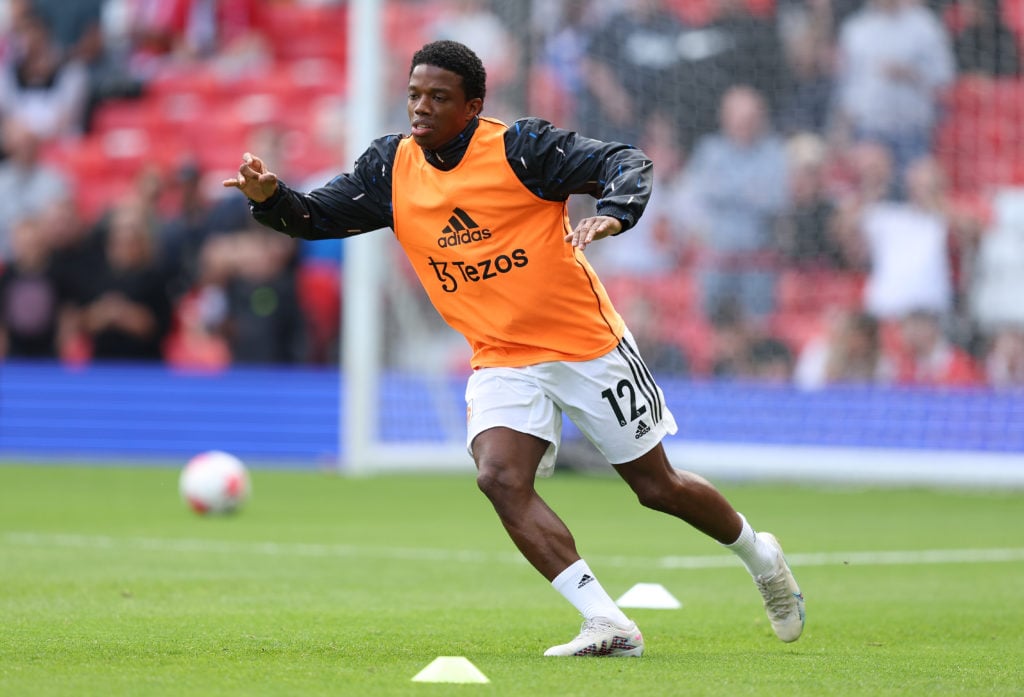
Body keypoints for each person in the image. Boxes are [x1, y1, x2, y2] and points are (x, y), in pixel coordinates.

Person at [223, 40, 804, 657]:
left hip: (584, 343)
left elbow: (624, 161)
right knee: (499, 477)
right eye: (415, 94)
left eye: (439, 98)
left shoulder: (521, 148)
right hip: (499, 354)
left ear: (472, 106)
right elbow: (315, 218)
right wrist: (271, 199)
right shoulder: (390, 167)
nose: (421, 108)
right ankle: (609, 623)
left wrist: (613, 212)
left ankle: (759, 555)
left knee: (656, 487)